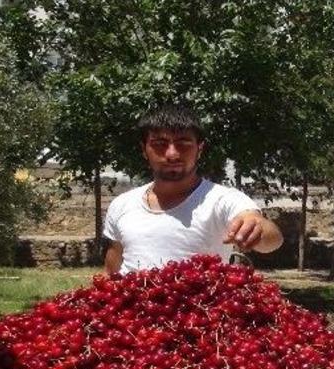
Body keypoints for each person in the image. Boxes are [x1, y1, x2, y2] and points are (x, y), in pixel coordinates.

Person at [103, 104, 283, 274]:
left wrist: (256, 228)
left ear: (200, 149)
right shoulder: (122, 204)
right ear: (144, 150)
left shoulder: (222, 200)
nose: (172, 154)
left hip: (201, 307)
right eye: (159, 144)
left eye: (183, 143)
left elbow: (271, 238)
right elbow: (112, 271)